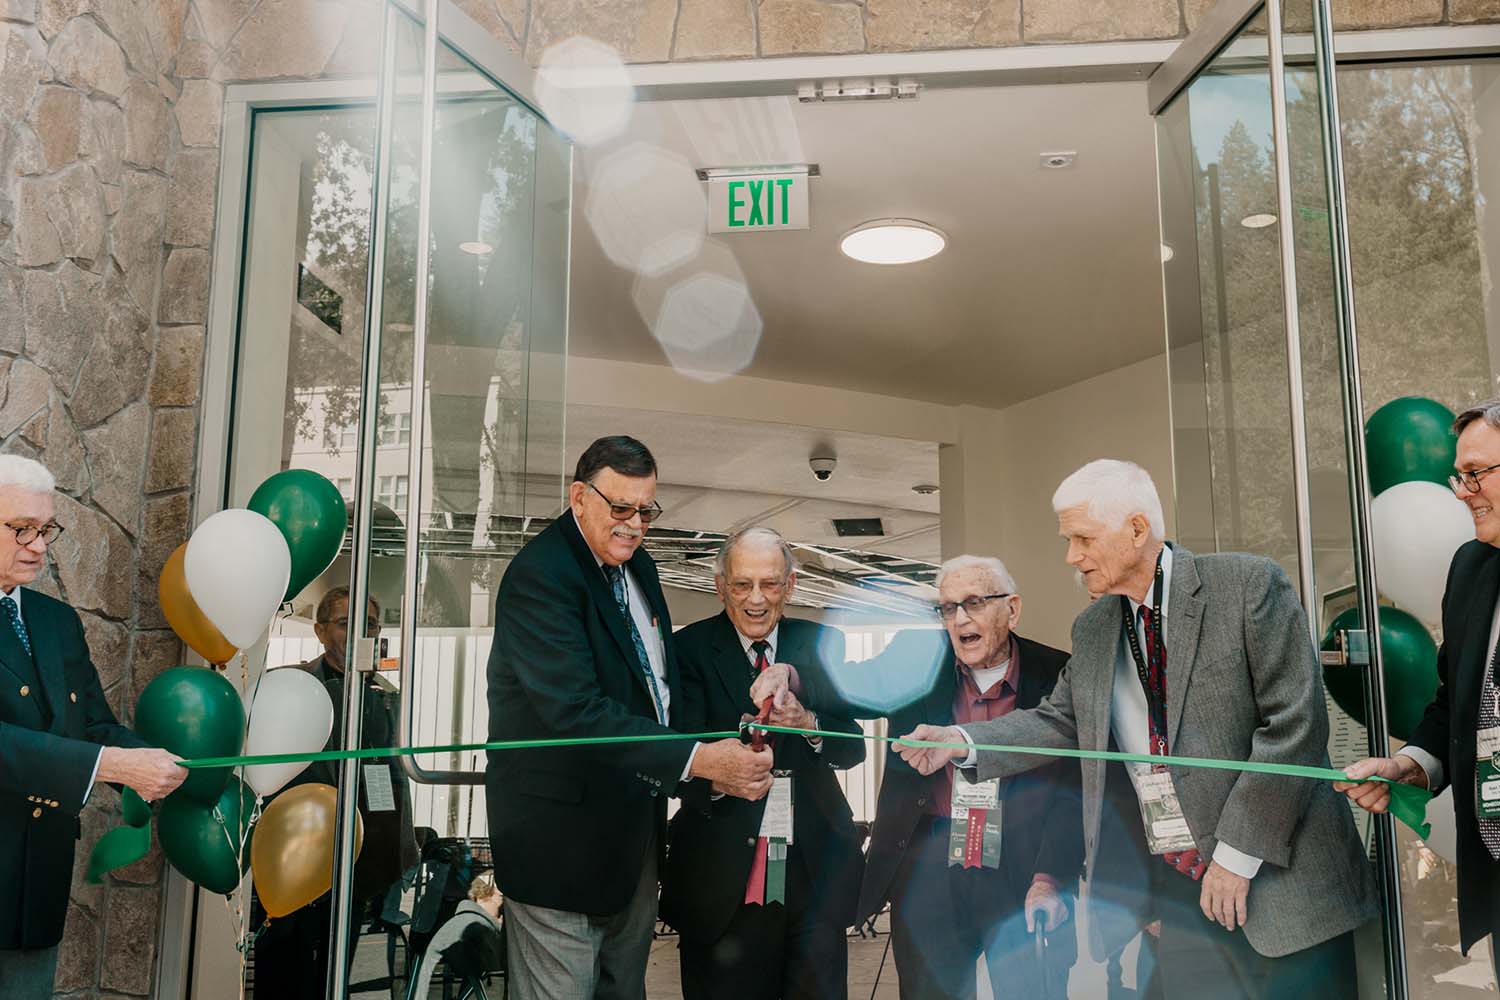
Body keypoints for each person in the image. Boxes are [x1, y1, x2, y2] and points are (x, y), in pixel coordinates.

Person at [891, 459, 1378, 999]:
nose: (1071, 556)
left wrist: (1236, 856)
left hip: (1286, 885)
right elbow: (1058, 721)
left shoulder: (1246, 586)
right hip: (1187, 894)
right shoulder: (1095, 627)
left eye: (1082, 539)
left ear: (1137, 529)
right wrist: (960, 742)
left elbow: (1294, 727)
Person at [485, 436, 773, 1000]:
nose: (635, 525)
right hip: (559, 847)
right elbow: (574, 712)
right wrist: (698, 759)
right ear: (579, 497)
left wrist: (713, 762)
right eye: (621, 508)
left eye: (646, 510)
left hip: (635, 838)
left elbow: (658, 689)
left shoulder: (639, 566)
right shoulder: (540, 576)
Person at [758, 554, 1084, 999]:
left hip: (1022, 863)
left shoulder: (1058, 675)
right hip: (929, 865)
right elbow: (852, 683)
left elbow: (1073, 790)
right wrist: (792, 676)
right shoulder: (919, 663)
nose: (959, 619)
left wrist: (1050, 877)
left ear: (1012, 609)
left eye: (974, 603)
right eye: (948, 607)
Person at [0, 455, 187, 997]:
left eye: (46, 529)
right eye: (21, 529)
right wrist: (110, 764)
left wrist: (157, 763)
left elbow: (91, 724)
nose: (39, 545)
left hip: (35, 885)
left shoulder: (56, 620)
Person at [660, 527, 866, 999]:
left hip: (814, 874)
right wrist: (720, 776)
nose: (756, 599)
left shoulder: (821, 642)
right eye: (742, 584)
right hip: (722, 876)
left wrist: (809, 723)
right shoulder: (687, 649)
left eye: (770, 584)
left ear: (790, 586)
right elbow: (673, 758)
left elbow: (852, 746)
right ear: (720, 586)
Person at [1337, 398, 1500, 972]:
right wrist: (1410, 765)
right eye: (1459, 476)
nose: (1462, 492)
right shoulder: (1471, 569)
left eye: (1476, 473)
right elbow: (1455, 701)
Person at [251, 586, 417, 999]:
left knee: (337, 972)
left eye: (370, 624)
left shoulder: (386, 697)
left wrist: (400, 850)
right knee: (281, 968)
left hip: (357, 858)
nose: (360, 632)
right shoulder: (288, 685)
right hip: (294, 851)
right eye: (346, 623)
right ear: (320, 631)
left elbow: (392, 776)